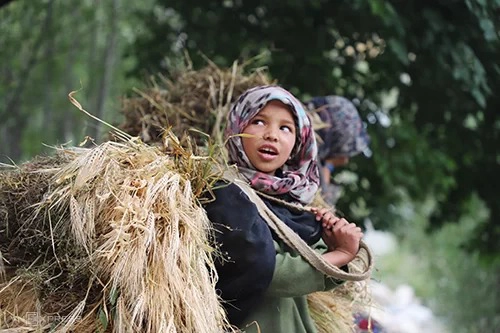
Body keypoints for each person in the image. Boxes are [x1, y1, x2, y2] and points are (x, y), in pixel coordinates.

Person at [204, 85, 364, 332]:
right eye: (258, 122)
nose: (271, 135)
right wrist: (340, 255)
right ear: (237, 128)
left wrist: (331, 239)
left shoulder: (289, 198)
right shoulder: (226, 190)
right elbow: (263, 271)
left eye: (285, 128)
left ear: (299, 142)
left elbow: (306, 252)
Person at [305, 96, 370, 206]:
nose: (345, 160)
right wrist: (328, 165)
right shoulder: (306, 154)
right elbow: (323, 206)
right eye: (344, 149)